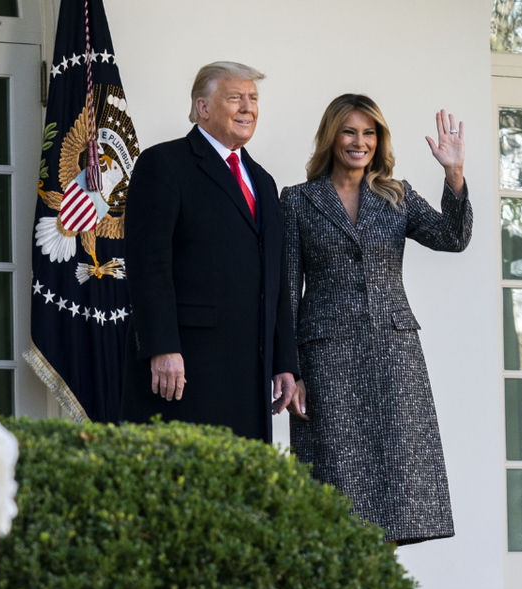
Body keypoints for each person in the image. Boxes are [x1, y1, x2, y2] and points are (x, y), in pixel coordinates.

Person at [282, 94, 472, 545]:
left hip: (394, 355)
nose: (359, 141)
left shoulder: (396, 195)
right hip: (328, 359)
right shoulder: (297, 201)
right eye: (350, 131)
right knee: (334, 487)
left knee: (396, 487)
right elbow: (288, 291)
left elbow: (453, 237)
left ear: (379, 140)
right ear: (332, 136)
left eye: (369, 133)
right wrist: (292, 370)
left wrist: (454, 174)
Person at [121, 61, 297, 442]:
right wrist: (162, 346)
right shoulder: (163, 164)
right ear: (203, 107)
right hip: (186, 369)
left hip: (250, 371)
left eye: (253, 98)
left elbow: (276, 276)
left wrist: (285, 361)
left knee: (242, 488)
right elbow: (148, 265)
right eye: (235, 98)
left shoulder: (263, 181)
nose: (248, 107)